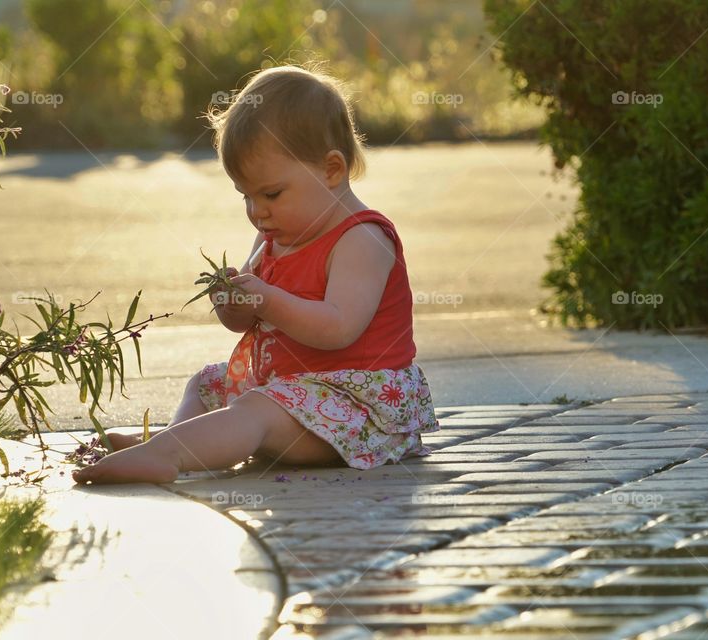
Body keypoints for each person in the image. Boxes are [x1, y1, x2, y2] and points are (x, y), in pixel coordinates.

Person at [72, 64, 439, 484]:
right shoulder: (272, 237)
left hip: (358, 413)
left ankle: (170, 454)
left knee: (256, 410)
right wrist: (234, 303)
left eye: (271, 194)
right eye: (245, 196)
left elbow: (339, 328)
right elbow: (244, 323)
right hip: (290, 396)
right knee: (208, 382)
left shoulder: (362, 239)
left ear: (332, 170)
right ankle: (174, 439)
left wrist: (266, 297)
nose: (257, 211)